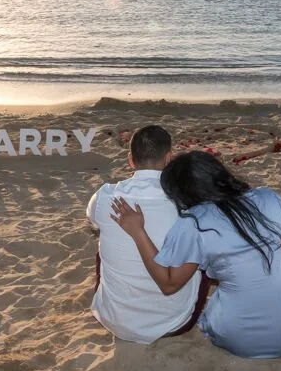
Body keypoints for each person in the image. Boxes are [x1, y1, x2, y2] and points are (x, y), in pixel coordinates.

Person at [110, 150, 281, 358]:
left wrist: (138, 232)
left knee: (214, 303)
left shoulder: (194, 222)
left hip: (243, 337)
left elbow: (169, 284)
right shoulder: (268, 197)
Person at [86, 125, 206, 344]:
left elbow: (94, 222)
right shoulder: (186, 202)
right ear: (168, 158)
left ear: (131, 160)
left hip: (114, 319)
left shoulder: (104, 196)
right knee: (200, 252)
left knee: (103, 240)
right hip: (173, 322)